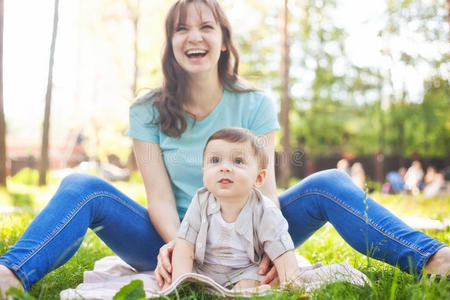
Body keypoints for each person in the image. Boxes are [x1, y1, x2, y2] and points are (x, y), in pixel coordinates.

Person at [1, 0, 449, 296]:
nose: (193, 37)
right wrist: (179, 248)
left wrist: (271, 245)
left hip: (252, 228)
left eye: (206, 26)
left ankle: (432, 258)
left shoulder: (254, 104)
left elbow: (266, 189)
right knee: (82, 185)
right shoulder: (145, 111)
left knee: (330, 182)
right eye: (181, 29)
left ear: (222, 40)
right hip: (173, 235)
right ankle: (11, 273)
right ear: (170, 43)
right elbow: (157, 196)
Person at [169, 128, 299, 290]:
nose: (224, 168)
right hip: (204, 269)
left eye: (238, 161)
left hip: (245, 270)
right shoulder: (200, 202)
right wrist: (180, 284)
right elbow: (185, 245)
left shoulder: (264, 210)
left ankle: (238, 291)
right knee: (184, 276)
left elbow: (282, 251)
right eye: (215, 160)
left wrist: (291, 284)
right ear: (204, 174)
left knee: (251, 284)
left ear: (258, 178)